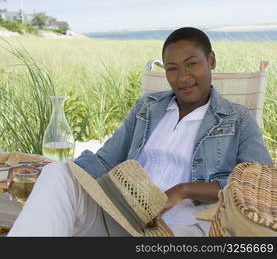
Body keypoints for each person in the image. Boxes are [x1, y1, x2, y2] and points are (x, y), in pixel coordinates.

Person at [7, 27, 272, 237]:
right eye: (172, 68)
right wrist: (41, 173)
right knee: (58, 172)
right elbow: (104, 161)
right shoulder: (148, 108)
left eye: (192, 64)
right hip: (122, 215)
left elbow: (260, 188)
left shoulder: (237, 119)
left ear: (210, 60)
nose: (182, 78)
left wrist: (183, 190)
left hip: (183, 228)